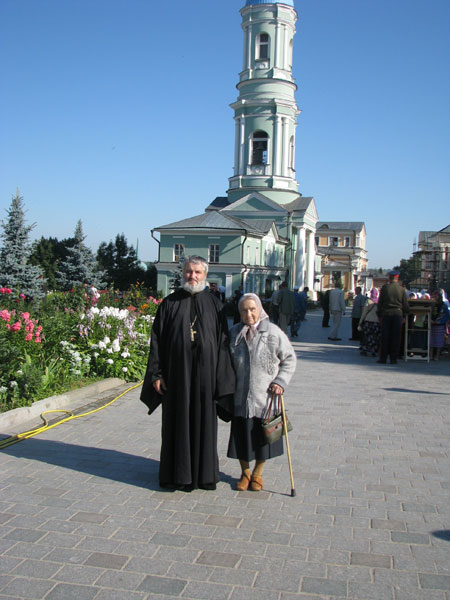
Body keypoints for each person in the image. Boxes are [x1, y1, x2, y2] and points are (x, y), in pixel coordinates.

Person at [140, 255, 235, 491]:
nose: (192, 276)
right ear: (183, 273)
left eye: (197, 272)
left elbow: (224, 343)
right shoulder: (169, 303)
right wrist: (156, 374)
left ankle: (204, 475)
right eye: (189, 272)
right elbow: (156, 341)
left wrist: (222, 379)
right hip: (176, 377)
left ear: (205, 275)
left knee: (205, 424)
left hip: (206, 378)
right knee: (176, 423)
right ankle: (176, 475)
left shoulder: (215, 305)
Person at [227, 293, 296, 492]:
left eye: (252, 309)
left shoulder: (273, 332)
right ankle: (245, 473)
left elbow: (289, 359)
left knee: (263, 439)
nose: (248, 314)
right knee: (241, 437)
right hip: (240, 397)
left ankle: (257, 473)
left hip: (266, 398)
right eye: (244, 310)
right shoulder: (233, 333)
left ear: (259, 309)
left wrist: (280, 382)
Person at [376, 270, 409, 364]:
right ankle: (393, 358)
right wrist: (405, 315)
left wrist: (379, 315)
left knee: (385, 337)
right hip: (398, 314)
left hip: (386, 314)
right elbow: (405, 304)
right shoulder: (401, 289)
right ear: (397, 278)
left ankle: (383, 358)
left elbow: (380, 303)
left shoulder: (385, 288)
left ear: (389, 278)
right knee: (396, 337)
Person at [358, 288, 380, 357]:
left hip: (368, 321)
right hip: (376, 322)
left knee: (366, 336)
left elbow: (364, 312)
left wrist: (360, 322)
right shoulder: (379, 302)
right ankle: (373, 350)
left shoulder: (368, 301)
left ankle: (365, 350)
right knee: (374, 336)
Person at [430, 289, 450, 360]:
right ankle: (431, 355)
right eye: (434, 296)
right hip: (432, 324)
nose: (435, 297)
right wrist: (430, 320)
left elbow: (447, 315)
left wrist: (441, 321)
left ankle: (437, 356)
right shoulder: (432, 304)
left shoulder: (444, 305)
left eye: (436, 296)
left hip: (439, 325)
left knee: (439, 341)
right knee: (431, 341)